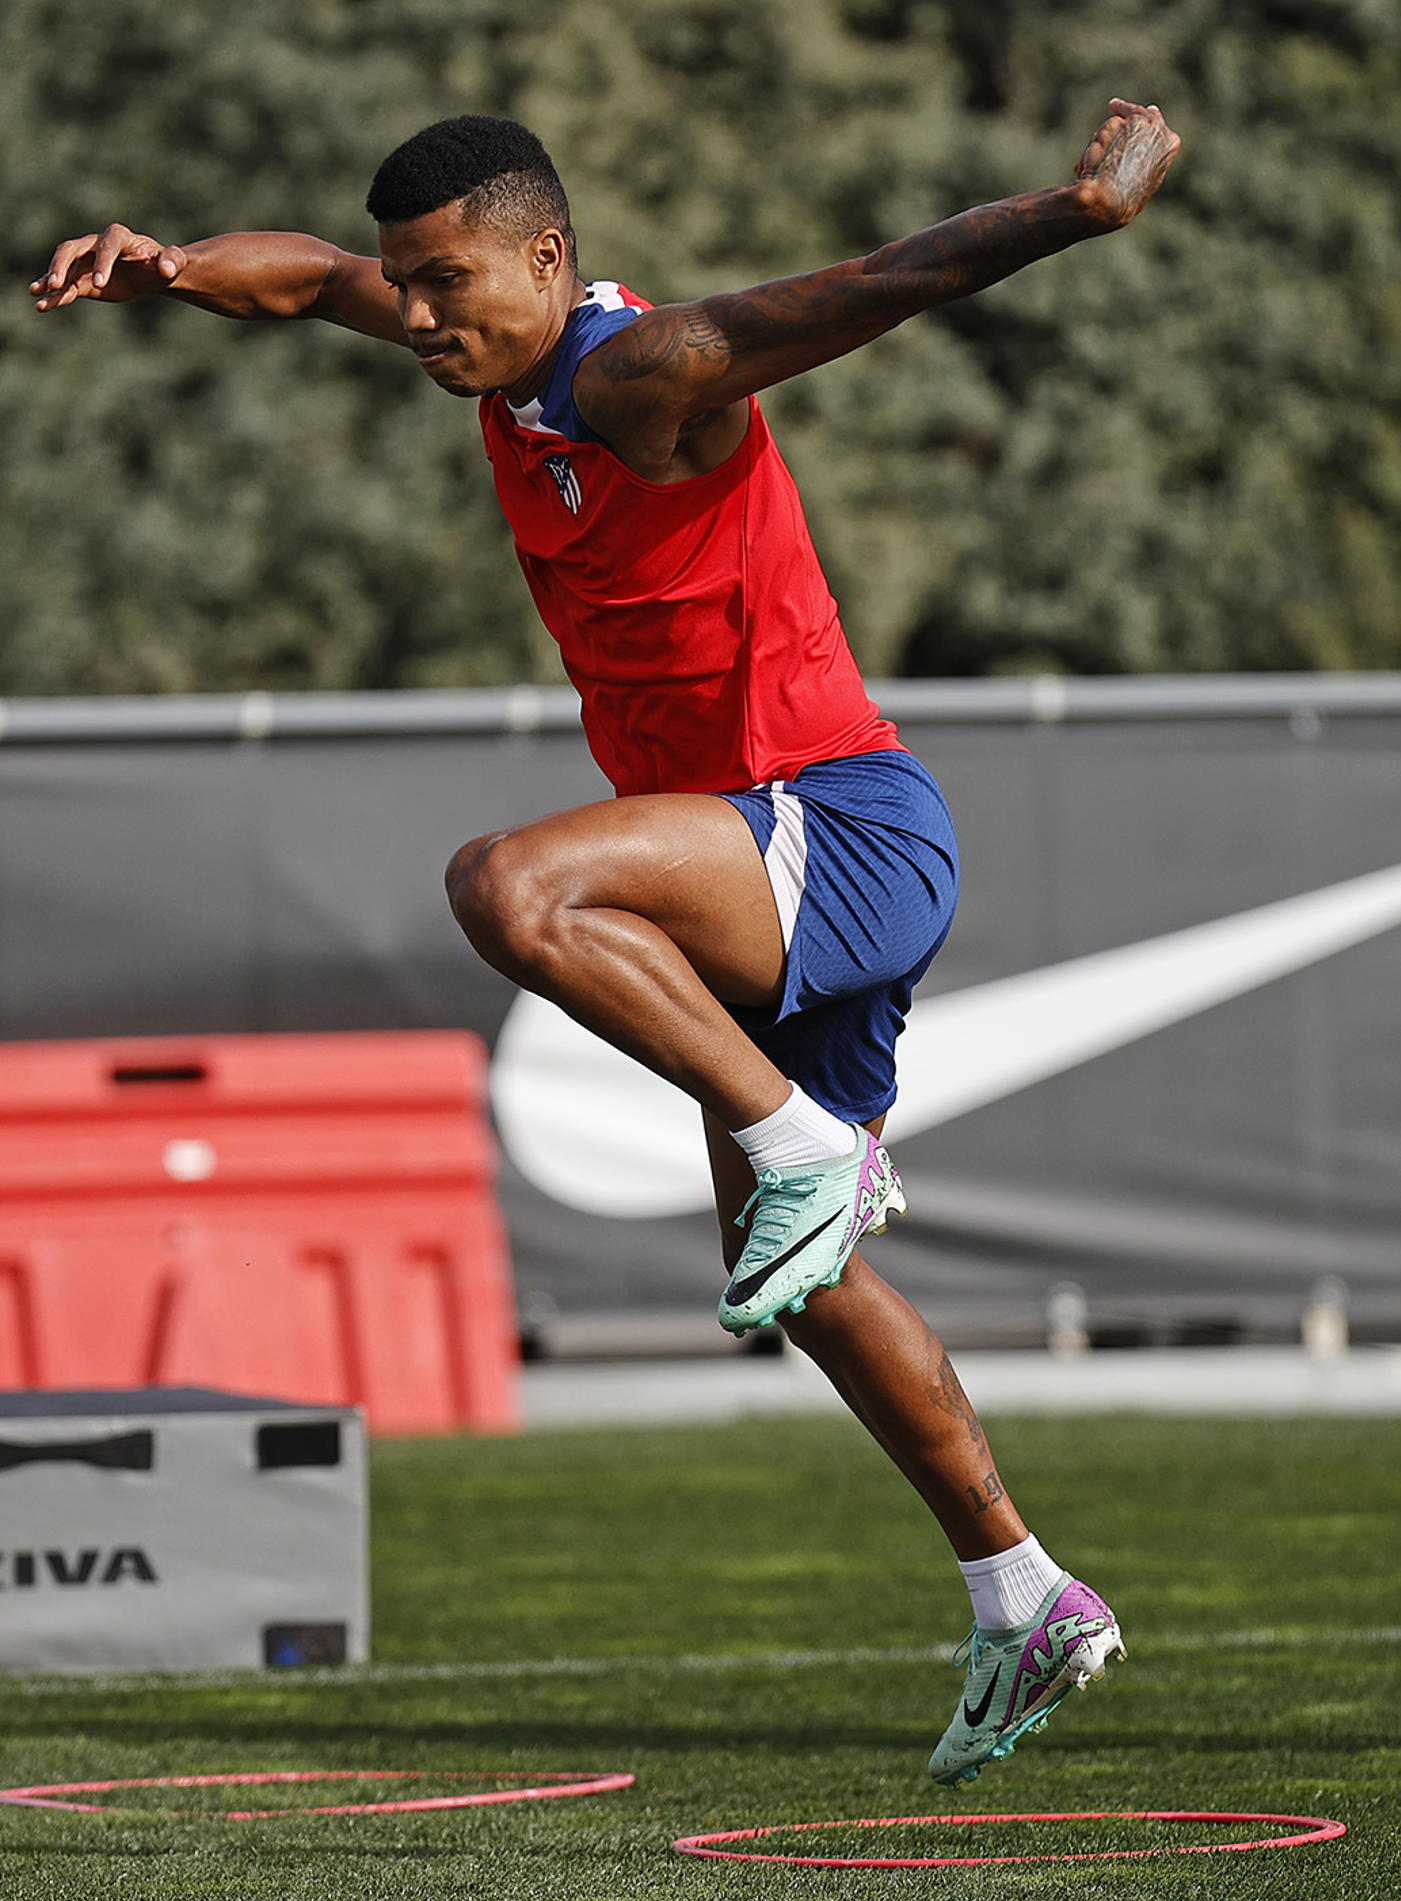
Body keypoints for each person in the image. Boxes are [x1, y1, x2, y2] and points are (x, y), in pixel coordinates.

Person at [32, 99, 1180, 1785]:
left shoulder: (632, 378)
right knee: (813, 1291)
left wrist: (1075, 211)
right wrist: (172, 263)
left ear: (547, 260)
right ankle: (1021, 1591)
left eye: (447, 286)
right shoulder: (479, 352)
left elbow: (871, 283)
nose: (415, 317)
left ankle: (804, 1143)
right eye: (411, 290)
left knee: (510, 888)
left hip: (831, 825)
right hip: (743, 872)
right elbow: (306, 282)